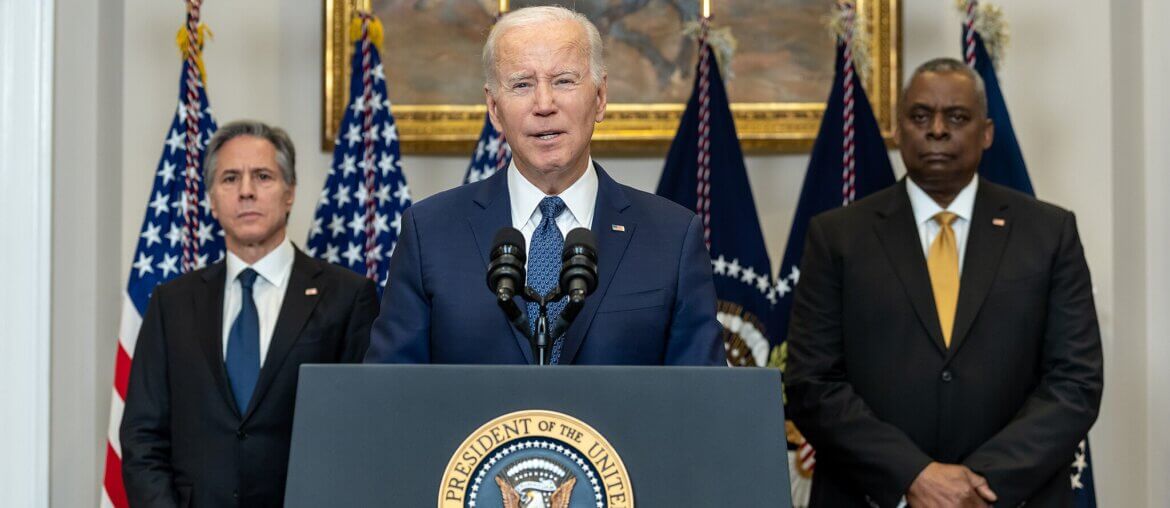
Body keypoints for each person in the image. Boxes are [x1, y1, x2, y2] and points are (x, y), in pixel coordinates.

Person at [785, 58, 1103, 508]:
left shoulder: (1049, 233)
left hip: (1011, 498)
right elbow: (812, 383)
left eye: (956, 117)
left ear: (987, 132)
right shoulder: (837, 236)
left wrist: (978, 483)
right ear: (898, 131)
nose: (937, 130)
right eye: (920, 116)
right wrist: (912, 475)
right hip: (871, 496)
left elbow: (1075, 383)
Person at [364, 5, 722, 366]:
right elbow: (388, 396)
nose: (544, 104)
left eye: (564, 80)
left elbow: (703, 402)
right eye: (522, 84)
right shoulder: (430, 232)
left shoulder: (672, 236)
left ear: (599, 98)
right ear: (493, 108)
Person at [120, 120, 379, 507]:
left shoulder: (347, 297)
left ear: (289, 192)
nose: (245, 192)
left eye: (262, 176)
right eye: (229, 179)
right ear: (211, 197)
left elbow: (361, 433)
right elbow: (142, 438)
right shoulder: (171, 304)